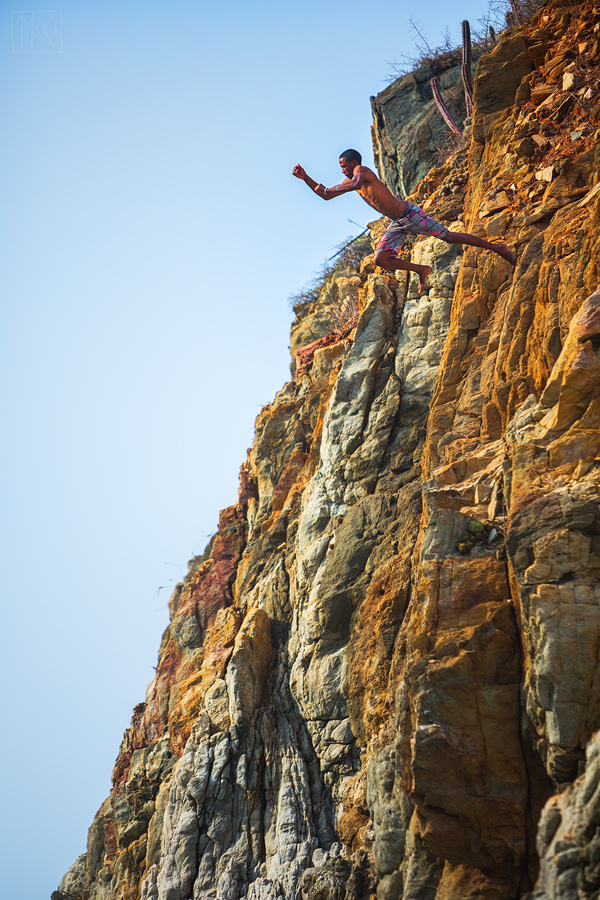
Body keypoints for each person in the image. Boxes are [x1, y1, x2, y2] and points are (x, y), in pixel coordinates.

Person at [292, 149, 516, 292]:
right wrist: (306, 179)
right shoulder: (349, 181)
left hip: (409, 214)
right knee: (380, 259)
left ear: (353, 162)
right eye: (341, 167)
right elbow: (325, 195)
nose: (342, 169)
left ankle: (497, 248)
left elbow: (354, 183)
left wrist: (332, 187)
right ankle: (420, 270)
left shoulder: (361, 171)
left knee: (450, 237)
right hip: (397, 223)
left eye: (343, 165)